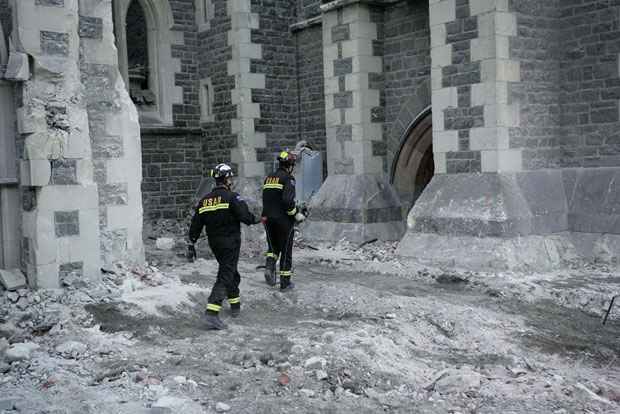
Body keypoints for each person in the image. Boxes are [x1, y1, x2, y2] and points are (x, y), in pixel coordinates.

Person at [188, 163, 260, 330]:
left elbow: (195, 225)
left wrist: (191, 244)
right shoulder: (232, 197)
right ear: (227, 179)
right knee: (226, 275)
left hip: (215, 244)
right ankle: (212, 313)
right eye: (230, 178)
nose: (231, 181)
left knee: (231, 273)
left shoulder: (205, 201)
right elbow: (246, 217)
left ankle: (235, 306)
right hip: (231, 243)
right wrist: (258, 219)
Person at [261, 151, 307, 291]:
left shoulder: (269, 178)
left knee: (273, 247)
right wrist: (296, 214)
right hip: (283, 220)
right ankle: (285, 284)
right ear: (290, 165)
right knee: (286, 251)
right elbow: (287, 201)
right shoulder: (288, 178)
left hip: (267, 219)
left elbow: (268, 198)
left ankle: (269, 267)